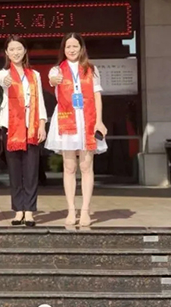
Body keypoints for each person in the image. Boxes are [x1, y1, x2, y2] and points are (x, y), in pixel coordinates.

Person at [45, 32, 108, 227]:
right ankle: (71, 209)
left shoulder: (91, 69)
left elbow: (97, 96)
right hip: (66, 119)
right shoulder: (57, 69)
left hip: (87, 119)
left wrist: (99, 121)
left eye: (75, 46)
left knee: (86, 166)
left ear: (81, 48)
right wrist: (54, 80)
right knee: (69, 166)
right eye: (68, 46)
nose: (71, 50)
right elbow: (52, 80)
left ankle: (85, 210)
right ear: (63, 49)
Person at [0, 35, 47, 227]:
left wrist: (42, 124)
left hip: (31, 126)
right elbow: (3, 80)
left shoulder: (35, 75)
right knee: (15, 170)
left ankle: (30, 210)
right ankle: (18, 210)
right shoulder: (3, 73)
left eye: (19, 49)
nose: (16, 52)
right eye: (12, 49)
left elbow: (40, 100)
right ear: (6, 53)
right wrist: (8, 80)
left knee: (31, 170)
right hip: (11, 127)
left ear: (25, 51)